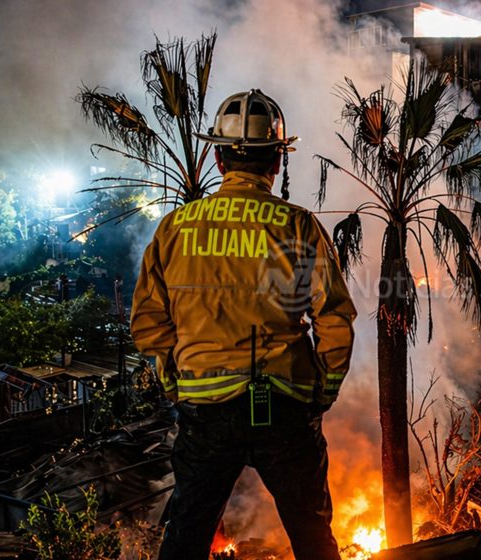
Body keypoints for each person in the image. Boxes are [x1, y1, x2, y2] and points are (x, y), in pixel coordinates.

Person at [132, 89, 357, 560]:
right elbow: (334, 318)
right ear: (277, 161)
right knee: (313, 536)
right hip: (286, 406)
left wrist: (176, 379)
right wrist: (324, 389)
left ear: (218, 158)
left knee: (186, 535)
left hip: (205, 409)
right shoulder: (296, 224)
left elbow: (148, 323)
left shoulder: (175, 228)